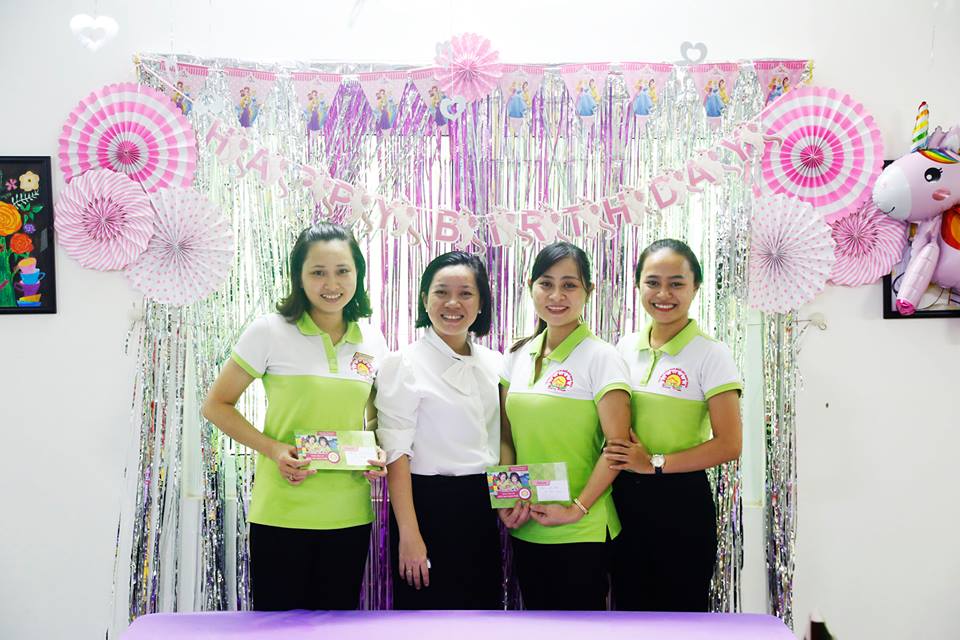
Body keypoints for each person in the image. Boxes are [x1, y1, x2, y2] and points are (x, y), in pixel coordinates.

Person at [201, 222, 388, 611]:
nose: (331, 283)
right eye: (317, 272)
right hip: (281, 513)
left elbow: (374, 419)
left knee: (336, 629)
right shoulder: (269, 331)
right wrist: (274, 449)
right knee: (277, 629)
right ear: (298, 277)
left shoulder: (372, 341)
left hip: (349, 515)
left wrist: (375, 452)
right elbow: (216, 405)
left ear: (358, 273)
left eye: (342, 271)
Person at [603, 238, 743, 612]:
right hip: (622, 499)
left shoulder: (711, 354)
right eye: (652, 282)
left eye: (676, 283)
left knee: (681, 615)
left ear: (695, 287)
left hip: (681, 501)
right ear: (638, 286)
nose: (663, 294)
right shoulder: (624, 348)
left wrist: (654, 463)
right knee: (628, 611)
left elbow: (729, 444)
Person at [499, 242, 632, 611]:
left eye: (569, 285)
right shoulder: (517, 356)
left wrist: (576, 509)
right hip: (527, 523)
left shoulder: (602, 357)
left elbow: (618, 448)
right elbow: (506, 436)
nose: (556, 296)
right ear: (530, 287)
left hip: (581, 529)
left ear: (589, 291)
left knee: (580, 631)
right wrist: (508, 497)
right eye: (546, 283)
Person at [376, 251, 503, 610]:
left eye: (466, 293)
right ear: (424, 299)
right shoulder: (403, 363)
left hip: (482, 505)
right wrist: (409, 535)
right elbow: (396, 453)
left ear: (481, 303)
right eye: (441, 292)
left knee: (483, 617)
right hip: (427, 505)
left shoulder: (495, 363)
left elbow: (502, 439)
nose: (452, 303)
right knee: (424, 621)